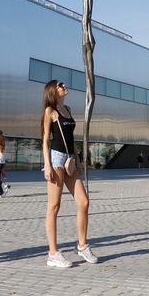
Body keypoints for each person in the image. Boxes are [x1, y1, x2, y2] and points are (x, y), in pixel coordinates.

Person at [41, 79, 98, 268]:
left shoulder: (68, 110)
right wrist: (47, 165)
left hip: (69, 160)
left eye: (64, 84)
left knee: (84, 201)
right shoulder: (50, 111)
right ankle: (53, 253)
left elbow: (71, 139)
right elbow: (45, 140)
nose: (65, 87)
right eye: (61, 85)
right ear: (53, 90)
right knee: (54, 206)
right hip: (56, 159)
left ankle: (82, 246)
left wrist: (78, 161)